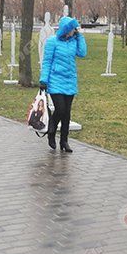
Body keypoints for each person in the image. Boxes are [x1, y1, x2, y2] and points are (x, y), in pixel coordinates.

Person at [39, 16, 87, 153]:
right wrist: (43, 80)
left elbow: (82, 53)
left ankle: (64, 141)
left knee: (67, 113)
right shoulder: (52, 42)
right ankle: (51, 132)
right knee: (60, 109)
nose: (74, 31)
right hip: (55, 80)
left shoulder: (73, 41)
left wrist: (80, 37)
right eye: (72, 29)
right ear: (66, 29)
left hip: (70, 80)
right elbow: (47, 61)